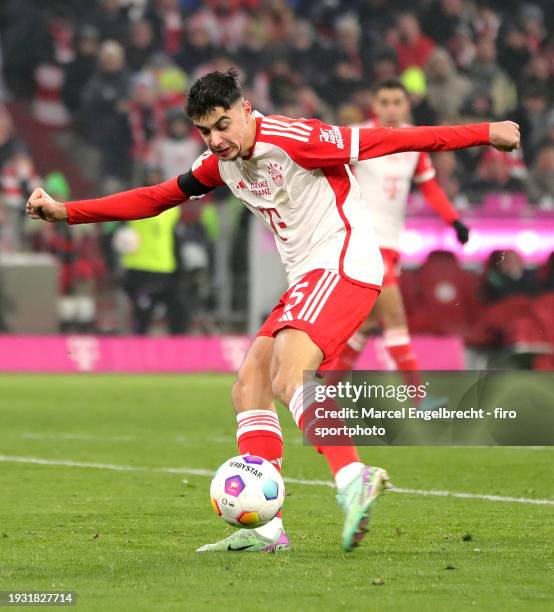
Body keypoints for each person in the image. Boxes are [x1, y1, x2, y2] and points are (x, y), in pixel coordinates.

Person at [26, 68, 520, 554]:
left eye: (222, 125)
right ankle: (266, 528)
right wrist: (69, 212)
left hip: (343, 262)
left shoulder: (296, 138)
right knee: (250, 388)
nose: (215, 140)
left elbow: (387, 140)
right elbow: (156, 198)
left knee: (290, 373)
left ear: (245, 110)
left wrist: (486, 134)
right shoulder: (219, 164)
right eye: (204, 131)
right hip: (306, 275)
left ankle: (353, 476)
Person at [327, 79, 471, 382]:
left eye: (397, 102)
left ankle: (324, 391)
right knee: (394, 318)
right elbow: (334, 180)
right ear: (374, 106)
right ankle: (419, 397)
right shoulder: (358, 138)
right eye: (384, 102)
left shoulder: (415, 142)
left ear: (407, 105)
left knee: (366, 325)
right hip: (363, 242)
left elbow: (429, 187)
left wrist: (453, 220)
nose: (391, 109)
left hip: (390, 244)